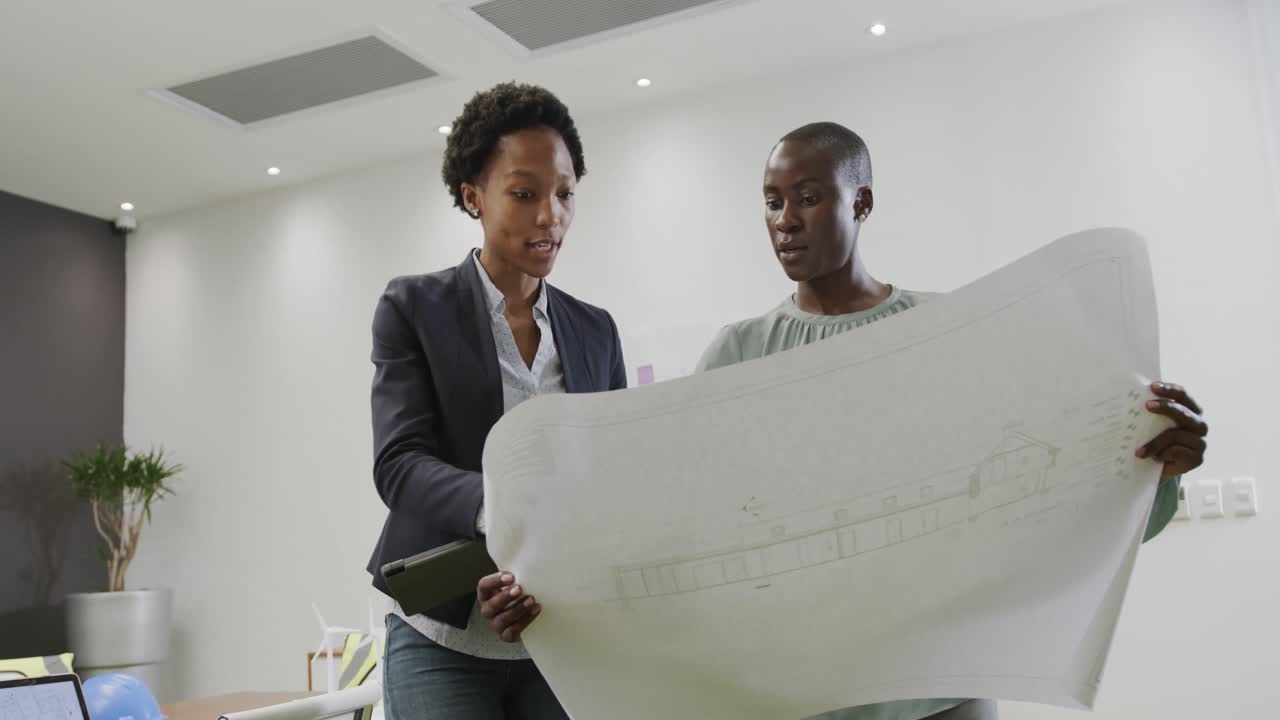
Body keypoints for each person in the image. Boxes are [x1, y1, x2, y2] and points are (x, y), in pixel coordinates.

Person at [694, 122, 1209, 720]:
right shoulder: (737, 354)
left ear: (861, 203)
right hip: (800, 694)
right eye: (772, 201)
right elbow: (691, 518)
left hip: (944, 690)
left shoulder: (953, 332)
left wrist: (1155, 465)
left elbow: (1042, 489)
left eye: (807, 197)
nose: (785, 220)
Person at [366, 82, 626, 720]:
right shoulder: (413, 308)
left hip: (558, 636)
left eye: (564, 194)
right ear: (473, 196)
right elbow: (399, 464)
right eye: (525, 194)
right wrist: (501, 513)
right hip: (442, 640)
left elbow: (611, 478)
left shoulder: (595, 331)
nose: (550, 216)